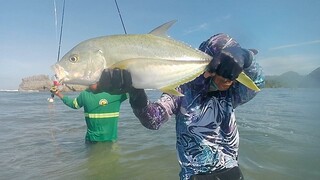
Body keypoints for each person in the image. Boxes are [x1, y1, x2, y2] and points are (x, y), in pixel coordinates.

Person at [95, 33, 265, 179]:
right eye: (223, 69)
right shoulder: (183, 90)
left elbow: (257, 83)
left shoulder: (231, 94)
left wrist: (247, 57)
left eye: (234, 71)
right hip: (194, 176)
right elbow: (153, 120)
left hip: (232, 172)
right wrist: (135, 92)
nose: (230, 77)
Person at [50, 83, 128, 143]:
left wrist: (58, 93)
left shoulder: (85, 94)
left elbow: (73, 104)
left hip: (91, 141)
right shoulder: (116, 93)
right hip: (110, 141)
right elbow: (134, 91)